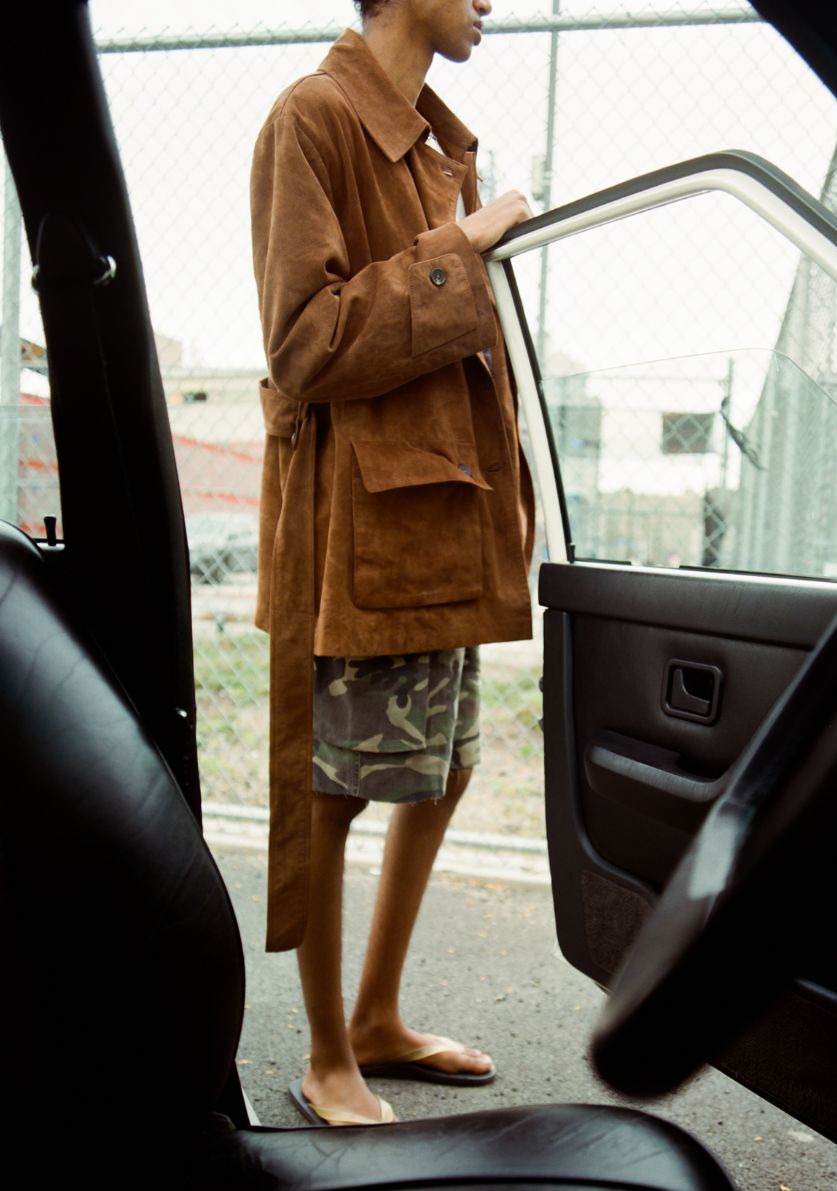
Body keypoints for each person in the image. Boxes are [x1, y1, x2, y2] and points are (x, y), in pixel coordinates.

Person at [250, 0, 534, 1127]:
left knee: (447, 769)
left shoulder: (430, 145)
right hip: (361, 533)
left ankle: (377, 1017)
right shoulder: (311, 117)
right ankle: (327, 1056)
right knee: (336, 795)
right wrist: (462, 248)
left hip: (440, 521)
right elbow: (303, 342)